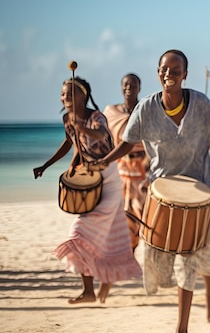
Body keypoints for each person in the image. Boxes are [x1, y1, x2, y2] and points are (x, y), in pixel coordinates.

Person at [94, 49, 210, 332]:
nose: (169, 74)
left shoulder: (201, 103)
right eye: (164, 69)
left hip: (201, 188)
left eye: (176, 70)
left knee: (192, 257)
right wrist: (104, 161)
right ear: (158, 73)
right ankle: (208, 284)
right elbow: (128, 143)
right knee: (172, 257)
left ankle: (183, 325)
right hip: (162, 189)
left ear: (185, 75)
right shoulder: (146, 109)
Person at [33, 75, 142, 304]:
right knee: (86, 237)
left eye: (70, 93)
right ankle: (89, 291)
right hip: (88, 177)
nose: (65, 98)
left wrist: (81, 126)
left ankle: (93, 289)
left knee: (82, 232)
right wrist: (47, 165)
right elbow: (69, 143)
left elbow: (101, 134)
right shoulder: (67, 119)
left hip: (110, 179)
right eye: (63, 94)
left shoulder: (96, 117)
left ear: (83, 96)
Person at [103, 73, 147, 252]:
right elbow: (105, 140)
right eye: (126, 84)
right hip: (119, 170)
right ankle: (127, 255)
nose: (129, 88)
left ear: (139, 88)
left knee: (142, 215)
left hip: (144, 170)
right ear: (121, 87)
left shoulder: (146, 111)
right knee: (121, 216)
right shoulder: (111, 112)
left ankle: (134, 252)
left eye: (133, 85)